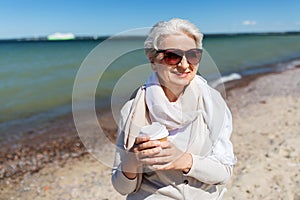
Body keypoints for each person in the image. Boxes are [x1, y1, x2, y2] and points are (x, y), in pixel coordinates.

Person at [111, 18, 236, 200]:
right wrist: (132, 161)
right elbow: (122, 187)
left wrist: (185, 161)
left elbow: (224, 174)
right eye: (172, 56)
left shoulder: (213, 103)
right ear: (153, 60)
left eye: (193, 55)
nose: (185, 65)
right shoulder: (132, 110)